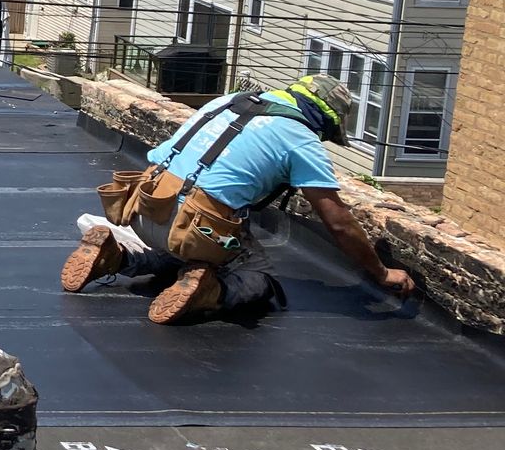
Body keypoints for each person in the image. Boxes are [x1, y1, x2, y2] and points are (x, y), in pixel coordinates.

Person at [62, 73, 416, 324]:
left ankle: (117, 257)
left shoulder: (227, 101)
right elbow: (339, 223)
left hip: (143, 205)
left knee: (178, 255)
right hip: (194, 225)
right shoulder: (300, 138)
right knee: (259, 280)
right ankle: (210, 291)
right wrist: (381, 272)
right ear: (325, 119)